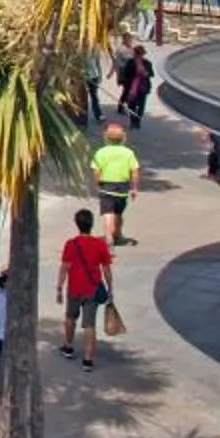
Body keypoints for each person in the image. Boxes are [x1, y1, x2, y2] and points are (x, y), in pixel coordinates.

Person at [57, 208, 114, 368]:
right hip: (93, 288)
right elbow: (107, 269)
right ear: (91, 224)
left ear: (77, 224)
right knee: (89, 324)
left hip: (74, 288)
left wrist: (59, 288)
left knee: (70, 318)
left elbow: (64, 267)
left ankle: (68, 347)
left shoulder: (71, 244)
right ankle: (87, 359)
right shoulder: (99, 244)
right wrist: (110, 288)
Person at [91, 121, 140, 247]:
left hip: (106, 186)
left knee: (108, 213)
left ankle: (108, 238)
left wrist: (97, 184)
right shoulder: (128, 153)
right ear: (123, 138)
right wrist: (134, 188)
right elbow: (134, 171)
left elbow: (96, 171)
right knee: (118, 213)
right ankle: (118, 234)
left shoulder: (101, 152)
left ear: (106, 138)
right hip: (122, 187)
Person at [113, 42, 156, 126]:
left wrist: (146, 73)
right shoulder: (130, 62)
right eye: (137, 54)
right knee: (132, 105)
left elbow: (151, 74)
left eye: (140, 54)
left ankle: (138, 121)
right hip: (131, 87)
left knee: (141, 106)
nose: (139, 56)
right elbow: (126, 74)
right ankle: (133, 120)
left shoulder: (147, 63)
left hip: (143, 87)